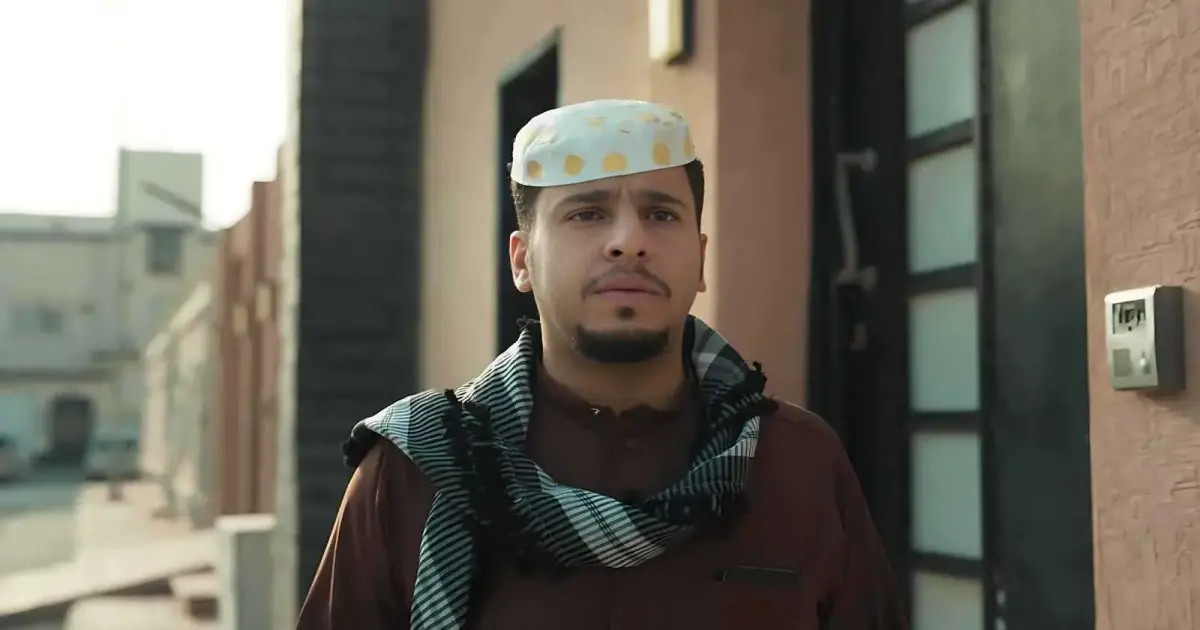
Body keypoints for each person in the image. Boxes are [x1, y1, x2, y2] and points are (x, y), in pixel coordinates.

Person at [297, 99, 906, 630]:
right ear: (522, 260)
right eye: (586, 213)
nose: (628, 241)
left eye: (660, 214)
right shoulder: (417, 473)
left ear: (699, 260)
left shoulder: (798, 464)